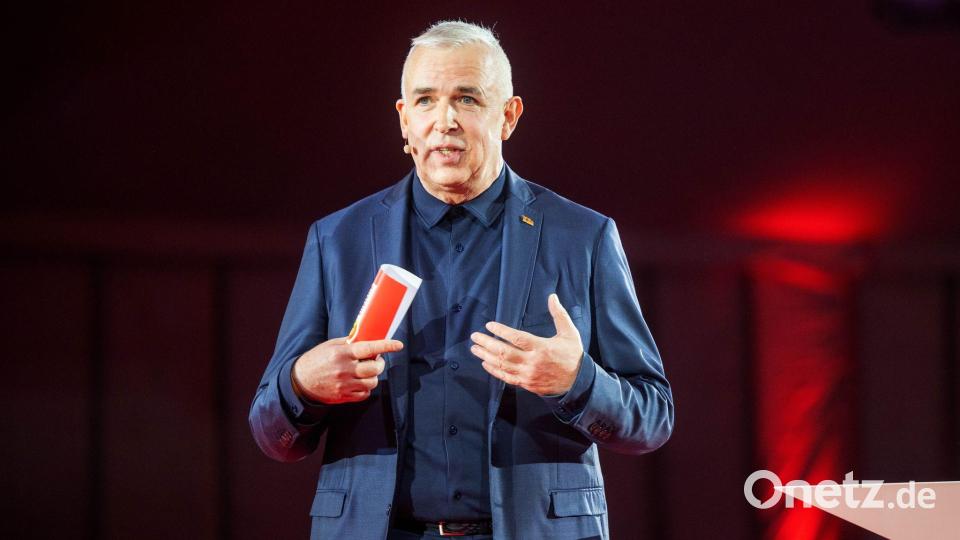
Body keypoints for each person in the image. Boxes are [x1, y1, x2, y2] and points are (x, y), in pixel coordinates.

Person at [249, 20, 674, 540]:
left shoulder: (582, 237)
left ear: (508, 116)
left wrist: (576, 381)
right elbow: (271, 433)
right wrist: (302, 385)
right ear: (404, 120)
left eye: (468, 99)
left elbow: (652, 417)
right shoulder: (338, 240)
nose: (444, 120)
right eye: (425, 101)